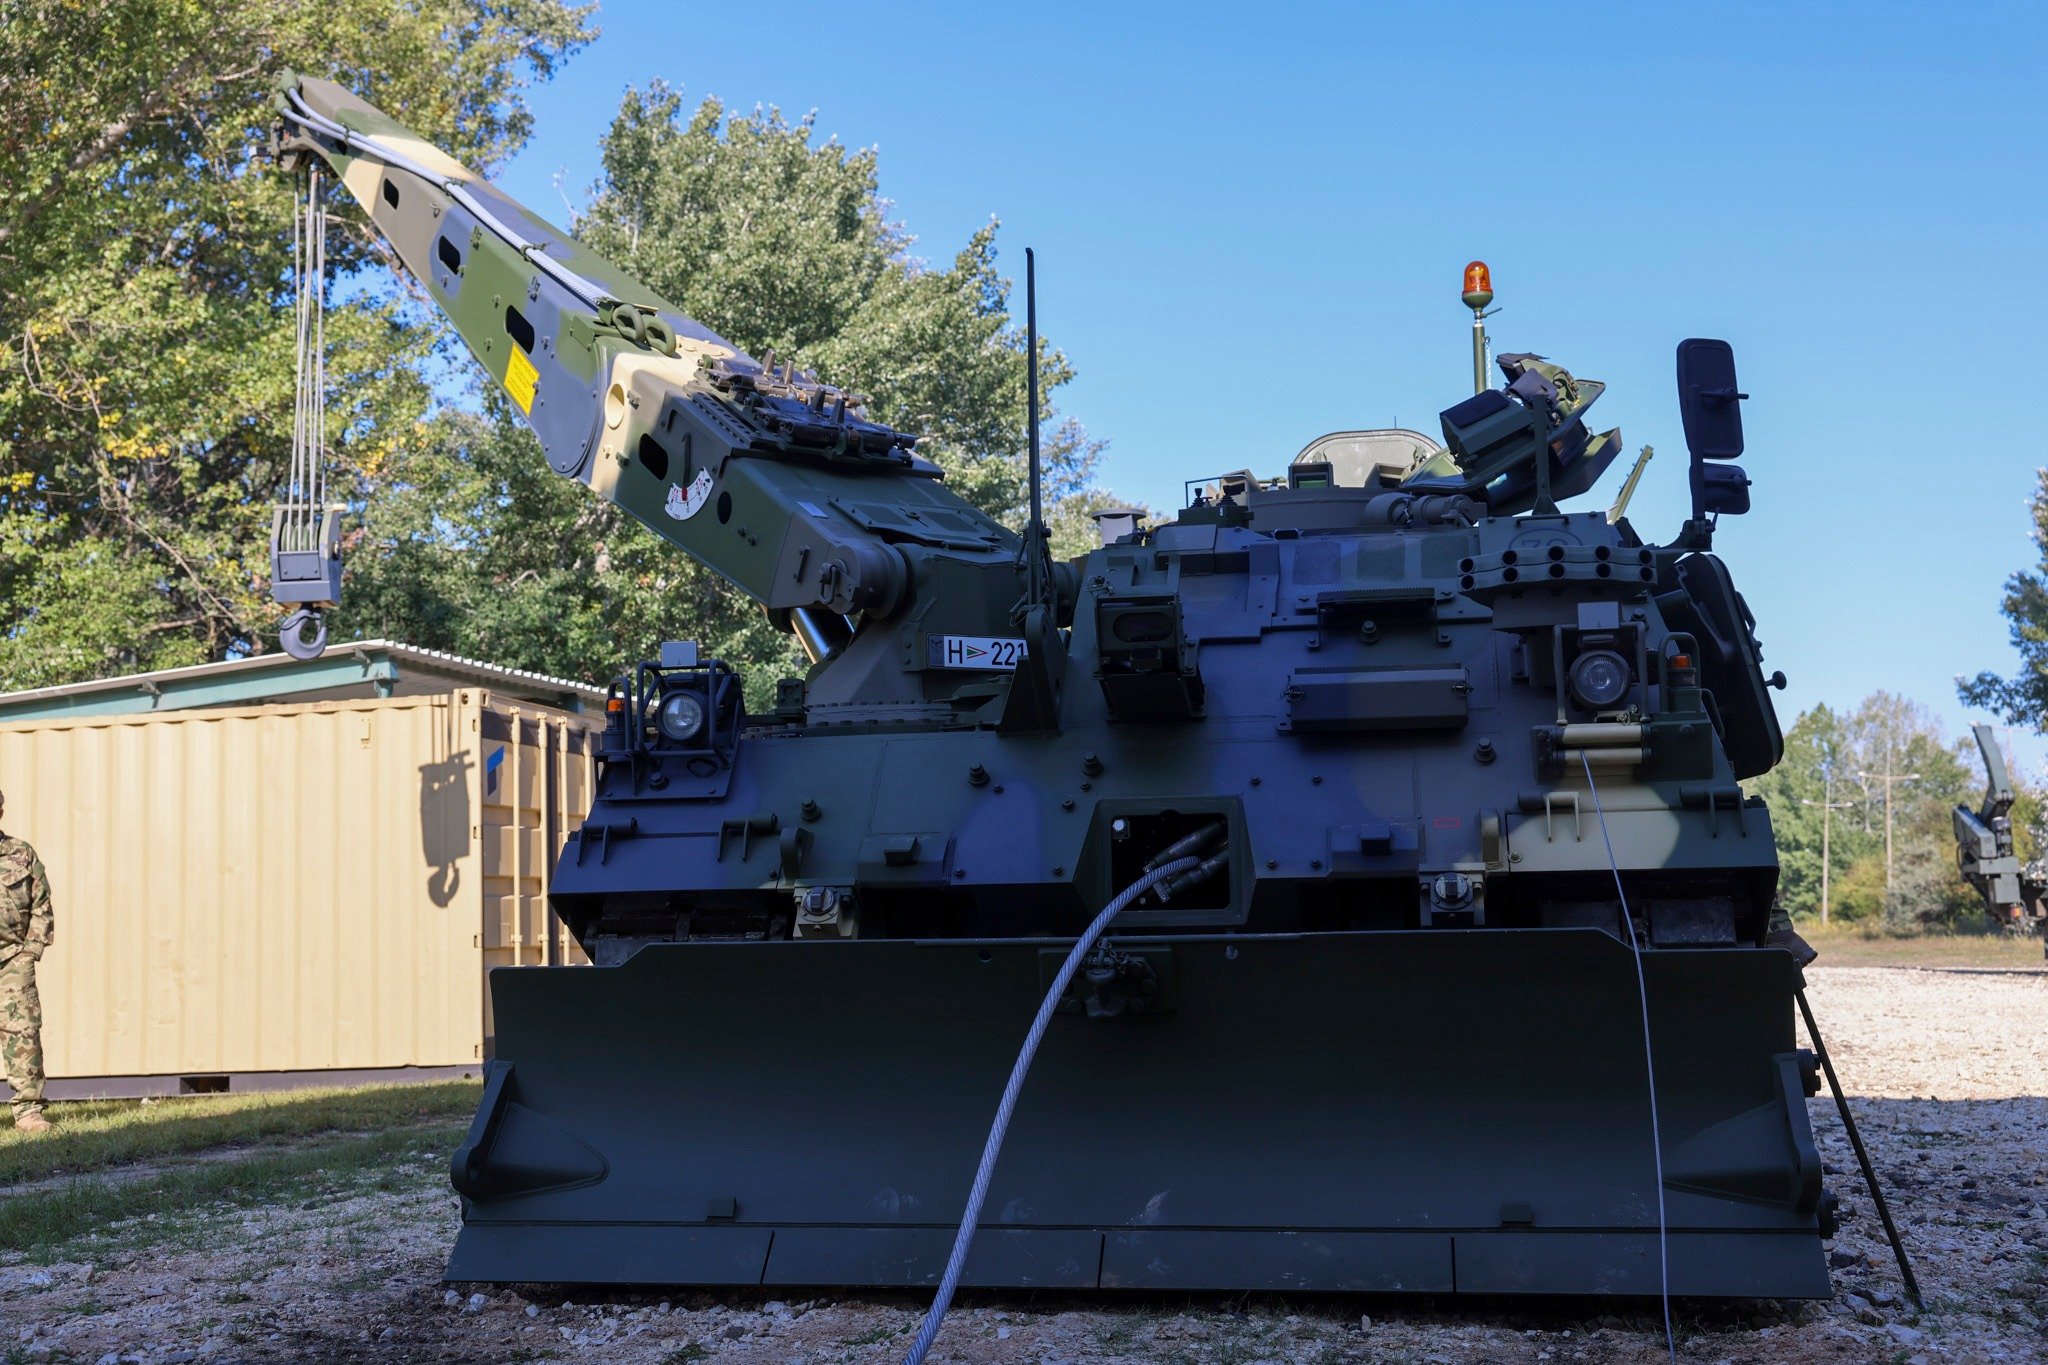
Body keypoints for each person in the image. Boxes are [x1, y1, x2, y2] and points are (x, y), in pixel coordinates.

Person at [0, 790, 53, 1133]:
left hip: (13, 961)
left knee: (23, 1034)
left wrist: (30, 950)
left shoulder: (21, 853)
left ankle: (28, 1112)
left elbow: (41, 904)